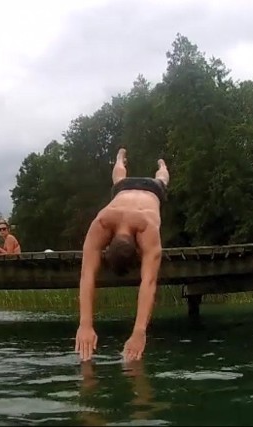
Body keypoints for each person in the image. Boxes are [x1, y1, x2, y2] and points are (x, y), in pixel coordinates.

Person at [75, 148, 169, 363]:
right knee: (134, 179)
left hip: (145, 191)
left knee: (127, 179)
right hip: (135, 192)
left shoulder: (102, 223)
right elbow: (149, 281)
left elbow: (87, 275)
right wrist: (138, 330)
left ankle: (122, 159)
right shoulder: (146, 227)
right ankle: (161, 167)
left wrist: (86, 324)